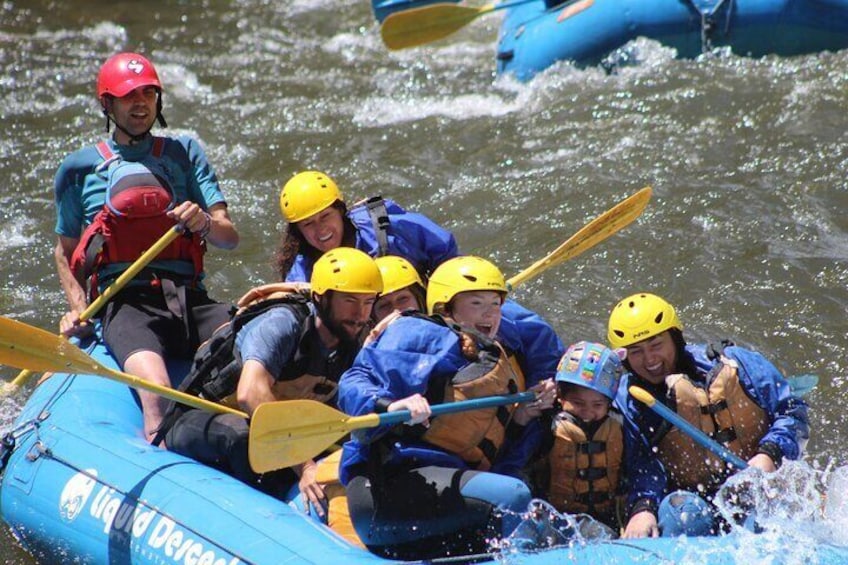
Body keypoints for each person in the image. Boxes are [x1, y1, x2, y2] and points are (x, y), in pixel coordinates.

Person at [53, 52, 239, 443]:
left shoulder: (184, 152)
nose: (141, 103)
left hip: (190, 298)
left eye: (149, 93)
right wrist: (76, 309)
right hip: (126, 304)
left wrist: (204, 222)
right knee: (156, 398)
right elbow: (65, 249)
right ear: (107, 104)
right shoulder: (77, 169)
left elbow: (228, 236)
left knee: (250, 351)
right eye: (129, 95)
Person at [338, 255, 557, 559]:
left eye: (495, 304)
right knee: (513, 495)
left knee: (535, 508)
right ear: (446, 308)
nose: (490, 314)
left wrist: (521, 419)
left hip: (440, 497)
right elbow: (355, 381)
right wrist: (390, 404)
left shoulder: (491, 356)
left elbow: (489, 458)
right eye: (476, 304)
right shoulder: (419, 332)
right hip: (385, 494)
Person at [163, 248, 381, 520]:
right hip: (201, 418)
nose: (360, 314)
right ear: (321, 298)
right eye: (350, 301)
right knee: (243, 438)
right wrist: (305, 467)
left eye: (368, 302)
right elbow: (250, 395)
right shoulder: (282, 323)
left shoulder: (355, 340)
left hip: (280, 435)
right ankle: (270, 519)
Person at [607, 292, 810, 538]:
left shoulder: (735, 363)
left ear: (675, 337)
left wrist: (770, 453)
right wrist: (643, 507)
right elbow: (641, 465)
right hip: (693, 500)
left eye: (656, 345)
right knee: (683, 516)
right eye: (636, 351)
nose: (649, 359)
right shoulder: (627, 401)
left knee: (768, 518)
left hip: (756, 483)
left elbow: (792, 412)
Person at [274, 170, 458, 282]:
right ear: (298, 232)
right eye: (308, 224)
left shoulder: (383, 227)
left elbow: (445, 251)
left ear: (340, 211)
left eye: (326, 216)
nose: (321, 229)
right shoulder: (302, 273)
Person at [540, 341, 626, 532]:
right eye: (578, 403)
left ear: (609, 403)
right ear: (560, 397)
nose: (587, 412)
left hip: (609, 513)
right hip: (560, 515)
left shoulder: (618, 425)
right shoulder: (548, 426)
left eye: (597, 405)